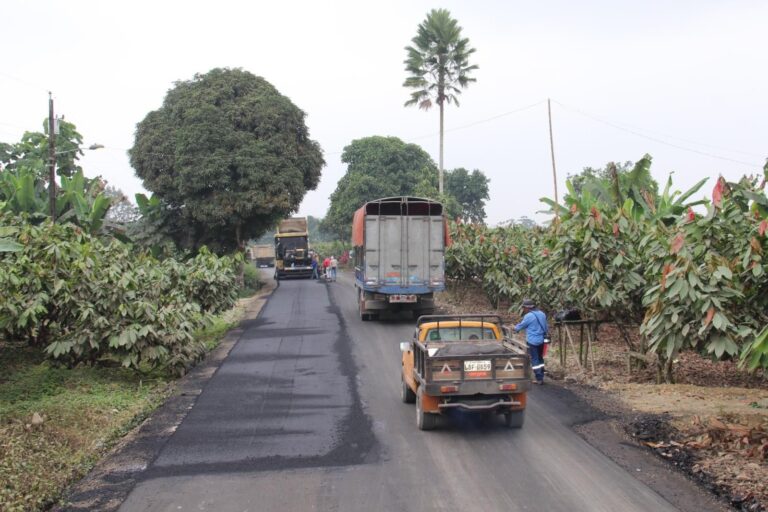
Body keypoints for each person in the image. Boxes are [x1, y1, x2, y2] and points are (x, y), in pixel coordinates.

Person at [513, 298, 548, 385]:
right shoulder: (542, 314)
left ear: (527, 308)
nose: (523, 310)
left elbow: (521, 326)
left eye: (524, 308)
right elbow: (546, 327)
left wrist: (514, 328)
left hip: (532, 341)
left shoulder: (529, 316)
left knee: (534, 359)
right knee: (540, 358)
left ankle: (539, 378)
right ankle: (541, 376)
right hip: (542, 340)